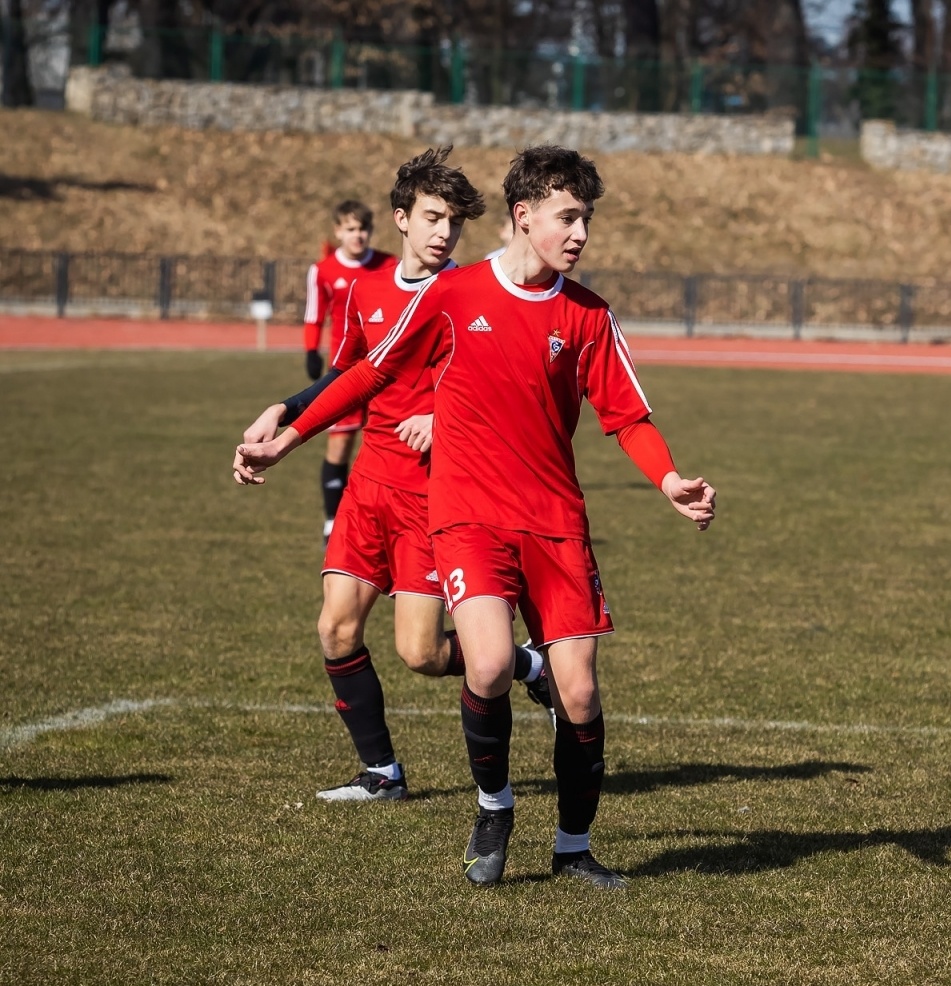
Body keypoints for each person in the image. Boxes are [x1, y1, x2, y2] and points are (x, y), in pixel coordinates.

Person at [235, 145, 717, 889]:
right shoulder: (455, 295)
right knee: (486, 663)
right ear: (524, 217)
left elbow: (627, 415)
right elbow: (371, 371)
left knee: (581, 692)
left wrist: (670, 479)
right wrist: (291, 435)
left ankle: (574, 849)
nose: (580, 233)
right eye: (567, 217)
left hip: (556, 520)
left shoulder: (587, 315)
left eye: (586, 218)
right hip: (470, 517)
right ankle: (494, 807)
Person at [242, 148, 551, 803]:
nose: (445, 233)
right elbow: (349, 375)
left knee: (421, 653)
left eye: (455, 223)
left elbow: (504, 388)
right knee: (335, 628)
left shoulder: (471, 296)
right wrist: (286, 410)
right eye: (434, 218)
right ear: (401, 219)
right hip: (370, 485)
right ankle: (382, 772)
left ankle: (526, 663)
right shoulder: (362, 290)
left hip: (437, 497)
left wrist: (443, 416)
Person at [304, 201, 396, 540]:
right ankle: (332, 519)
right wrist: (311, 351)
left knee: (384, 446)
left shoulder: (390, 265)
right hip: (344, 371)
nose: (357, 236)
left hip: (386, 370)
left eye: (363, 229)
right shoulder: (323, 271)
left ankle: (382, 518)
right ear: (338, 231)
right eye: (351, 229)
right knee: (339, 445)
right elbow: (314, 316)